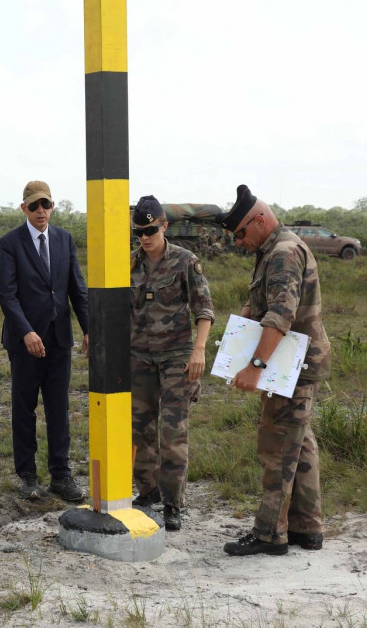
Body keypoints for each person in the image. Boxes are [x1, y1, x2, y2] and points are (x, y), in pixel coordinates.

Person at [215, 185, 330, 556]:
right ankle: (305, 528)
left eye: (240, 233)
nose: (238, 242)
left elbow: (281, 316)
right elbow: (263, 307)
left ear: (260, 220)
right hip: (299, 362)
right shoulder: (273, 250)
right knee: (300, 443)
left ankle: (269, 534)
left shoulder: (282, 253)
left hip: (289, 365)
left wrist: (255, 366)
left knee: (277, 445)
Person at [0, 181, 90, 502]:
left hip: (59, 339)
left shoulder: (65, 239)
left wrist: (88, 328)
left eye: (45, 205)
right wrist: (25, 332)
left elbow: (76, 288)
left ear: (53, 206)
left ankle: (61, 475)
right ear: (24, 208)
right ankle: (27, 476)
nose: (40, 211)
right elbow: (7, 295)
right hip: (25, 343)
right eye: (34, 206)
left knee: (58, 407)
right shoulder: (10, 243)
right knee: (24, 408)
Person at [129, 196, 214, 531]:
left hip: (177, 358)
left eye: (151, 230)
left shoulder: (185, 261)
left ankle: (172, 503)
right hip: (139, 359)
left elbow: (203, 309)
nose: (145, 237)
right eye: (139, 231)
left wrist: (200, 350)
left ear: (164, 226)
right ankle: (147, 492)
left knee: (173, 432)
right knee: (140, 430)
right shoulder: (129, 263)